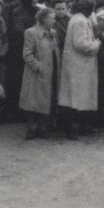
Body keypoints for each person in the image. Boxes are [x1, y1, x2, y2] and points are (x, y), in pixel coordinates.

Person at [57, 0, 101, 139]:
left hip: (76, 64)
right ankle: (73, 129)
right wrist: (96, 44)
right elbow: (81, 44)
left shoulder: (75, 19)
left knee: (74, 97)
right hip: (80, 65)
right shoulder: (81, 21)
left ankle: (78, 126)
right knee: (77, 98)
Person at [21, 7, 61, 139]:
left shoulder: (53, 33)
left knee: (47, 100)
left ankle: (43, 127)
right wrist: (39, 67)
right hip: (36, 75)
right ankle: (31, 129)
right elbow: (27, 54)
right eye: (51, 18)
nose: (54, 20)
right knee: (34, 102)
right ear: (43, 19)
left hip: (51, 73)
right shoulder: (31, 32)